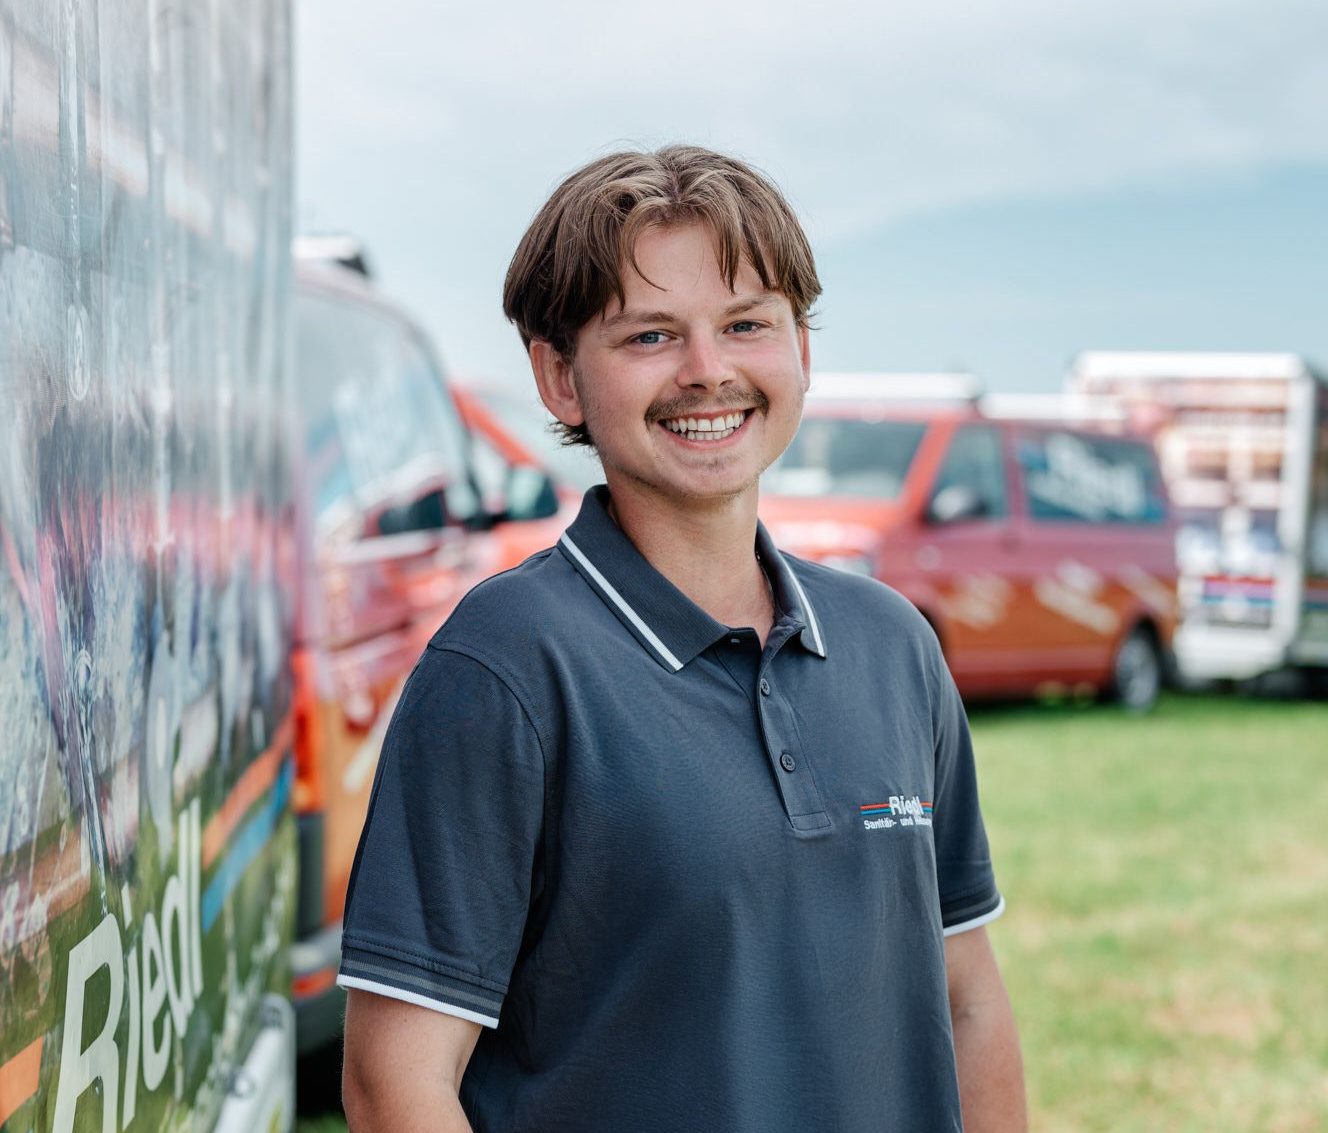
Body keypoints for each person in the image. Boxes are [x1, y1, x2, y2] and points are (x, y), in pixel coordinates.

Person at [338, 145, 1027, 1133]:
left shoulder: (890, 644)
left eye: (746, 323)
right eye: (650, 335)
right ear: (558, 378)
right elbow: (395, 1080)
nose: (708, 373)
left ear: (799, 347)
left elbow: (965, 997)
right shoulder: (502, 667)